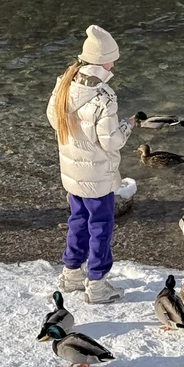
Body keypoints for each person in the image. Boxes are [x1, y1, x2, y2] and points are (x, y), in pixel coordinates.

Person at [47, 24, 133, 304]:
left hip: (72, 173)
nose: (114, 64)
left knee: (77, 221)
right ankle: (97, 284)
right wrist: (128, 126)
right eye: (112, 59)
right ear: (104, 61)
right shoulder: (104, 97)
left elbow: (52, 119)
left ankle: (71, 273)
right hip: (96, 177)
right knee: (101, 226)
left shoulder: (64, 82)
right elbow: (112, 142)